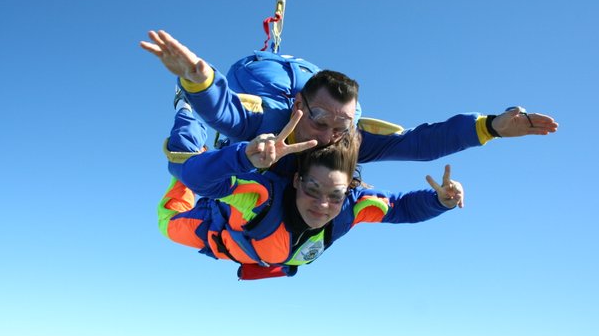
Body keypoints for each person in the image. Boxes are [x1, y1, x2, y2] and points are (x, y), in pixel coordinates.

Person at [140, 30, 558, 169]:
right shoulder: (272, 120)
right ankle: (182, 102)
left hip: (302, 75)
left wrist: (492, 126)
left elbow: (419, 142)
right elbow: (228, 113)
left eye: (340, 127)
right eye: (320, 122)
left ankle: (345, 108)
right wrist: (198, 82)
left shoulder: (346, 137)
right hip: (259, 77)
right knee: (192, 152)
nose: (327, 137)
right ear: (301, 108)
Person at [159, 106, 464, 280]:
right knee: (182, 176)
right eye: (312, 189)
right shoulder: (261, 198)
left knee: (201, 170)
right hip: (216, 232)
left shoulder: (352, 208)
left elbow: (401, 208)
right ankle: (186, 110)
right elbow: (197, 179)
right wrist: (241, 158)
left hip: (263, 255)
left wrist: (439, 202)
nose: (322, 204)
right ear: (296, 180)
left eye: (335, 195)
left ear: (348, 192)